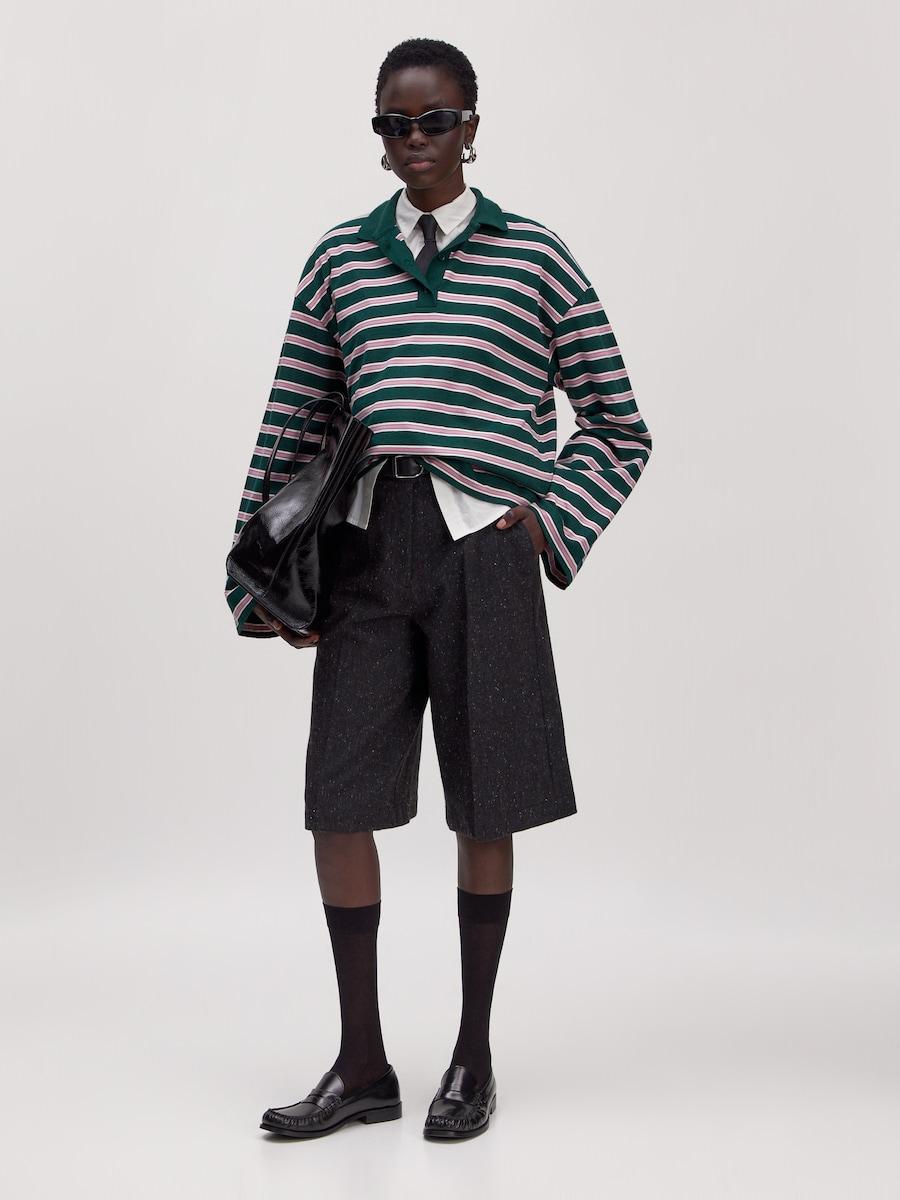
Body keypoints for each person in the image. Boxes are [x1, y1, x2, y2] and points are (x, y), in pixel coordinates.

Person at [225, 37, 653, 1141]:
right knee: (338, 801)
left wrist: (547, 518)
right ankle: (362, 1065)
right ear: (378, 136)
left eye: (434, 119)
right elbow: (294, 420)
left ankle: (473, 1055)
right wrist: (256, 571)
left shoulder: (535, 257)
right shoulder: (341, 260)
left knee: (487, 800)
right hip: (366, 553)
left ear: (471, 126)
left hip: (483, 555)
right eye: (393, 123)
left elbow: (618, 424)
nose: (413, 139)